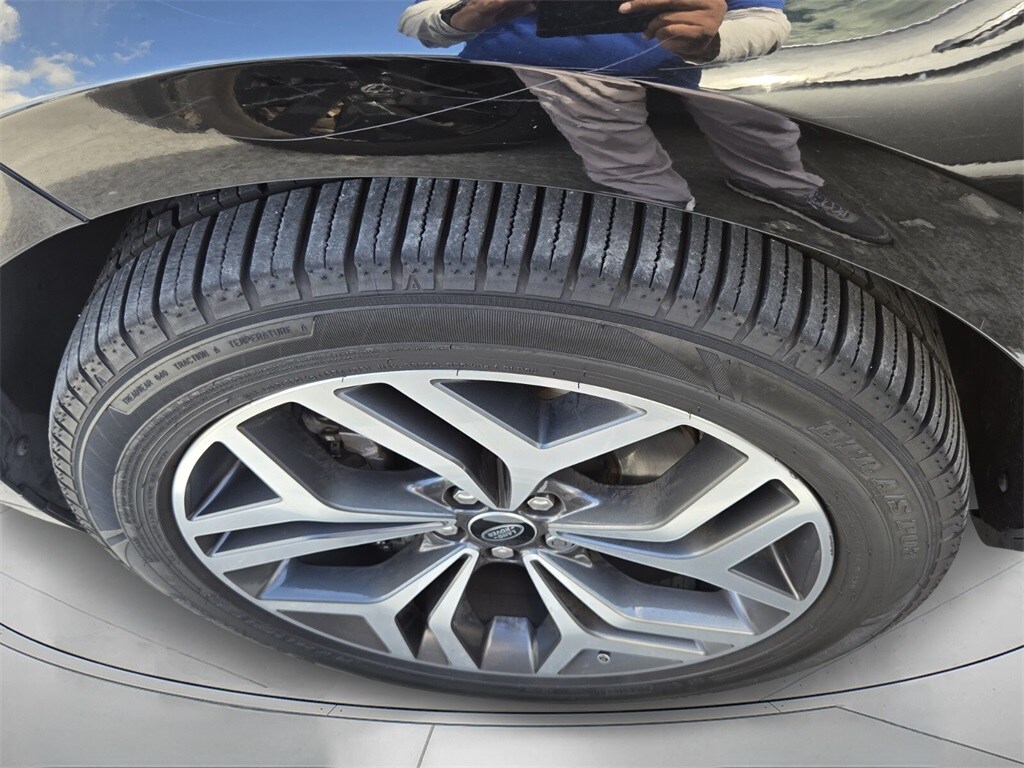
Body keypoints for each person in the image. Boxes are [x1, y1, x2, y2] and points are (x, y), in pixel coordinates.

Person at [399, 0, 892, 244]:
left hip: (692, 59)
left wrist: (715, 41)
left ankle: (781, 183)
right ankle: (659, 208)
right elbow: (417, 19)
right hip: (552, 66)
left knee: (754, 112)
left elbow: (767, 17)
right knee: (603, 127)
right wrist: (466, 13)